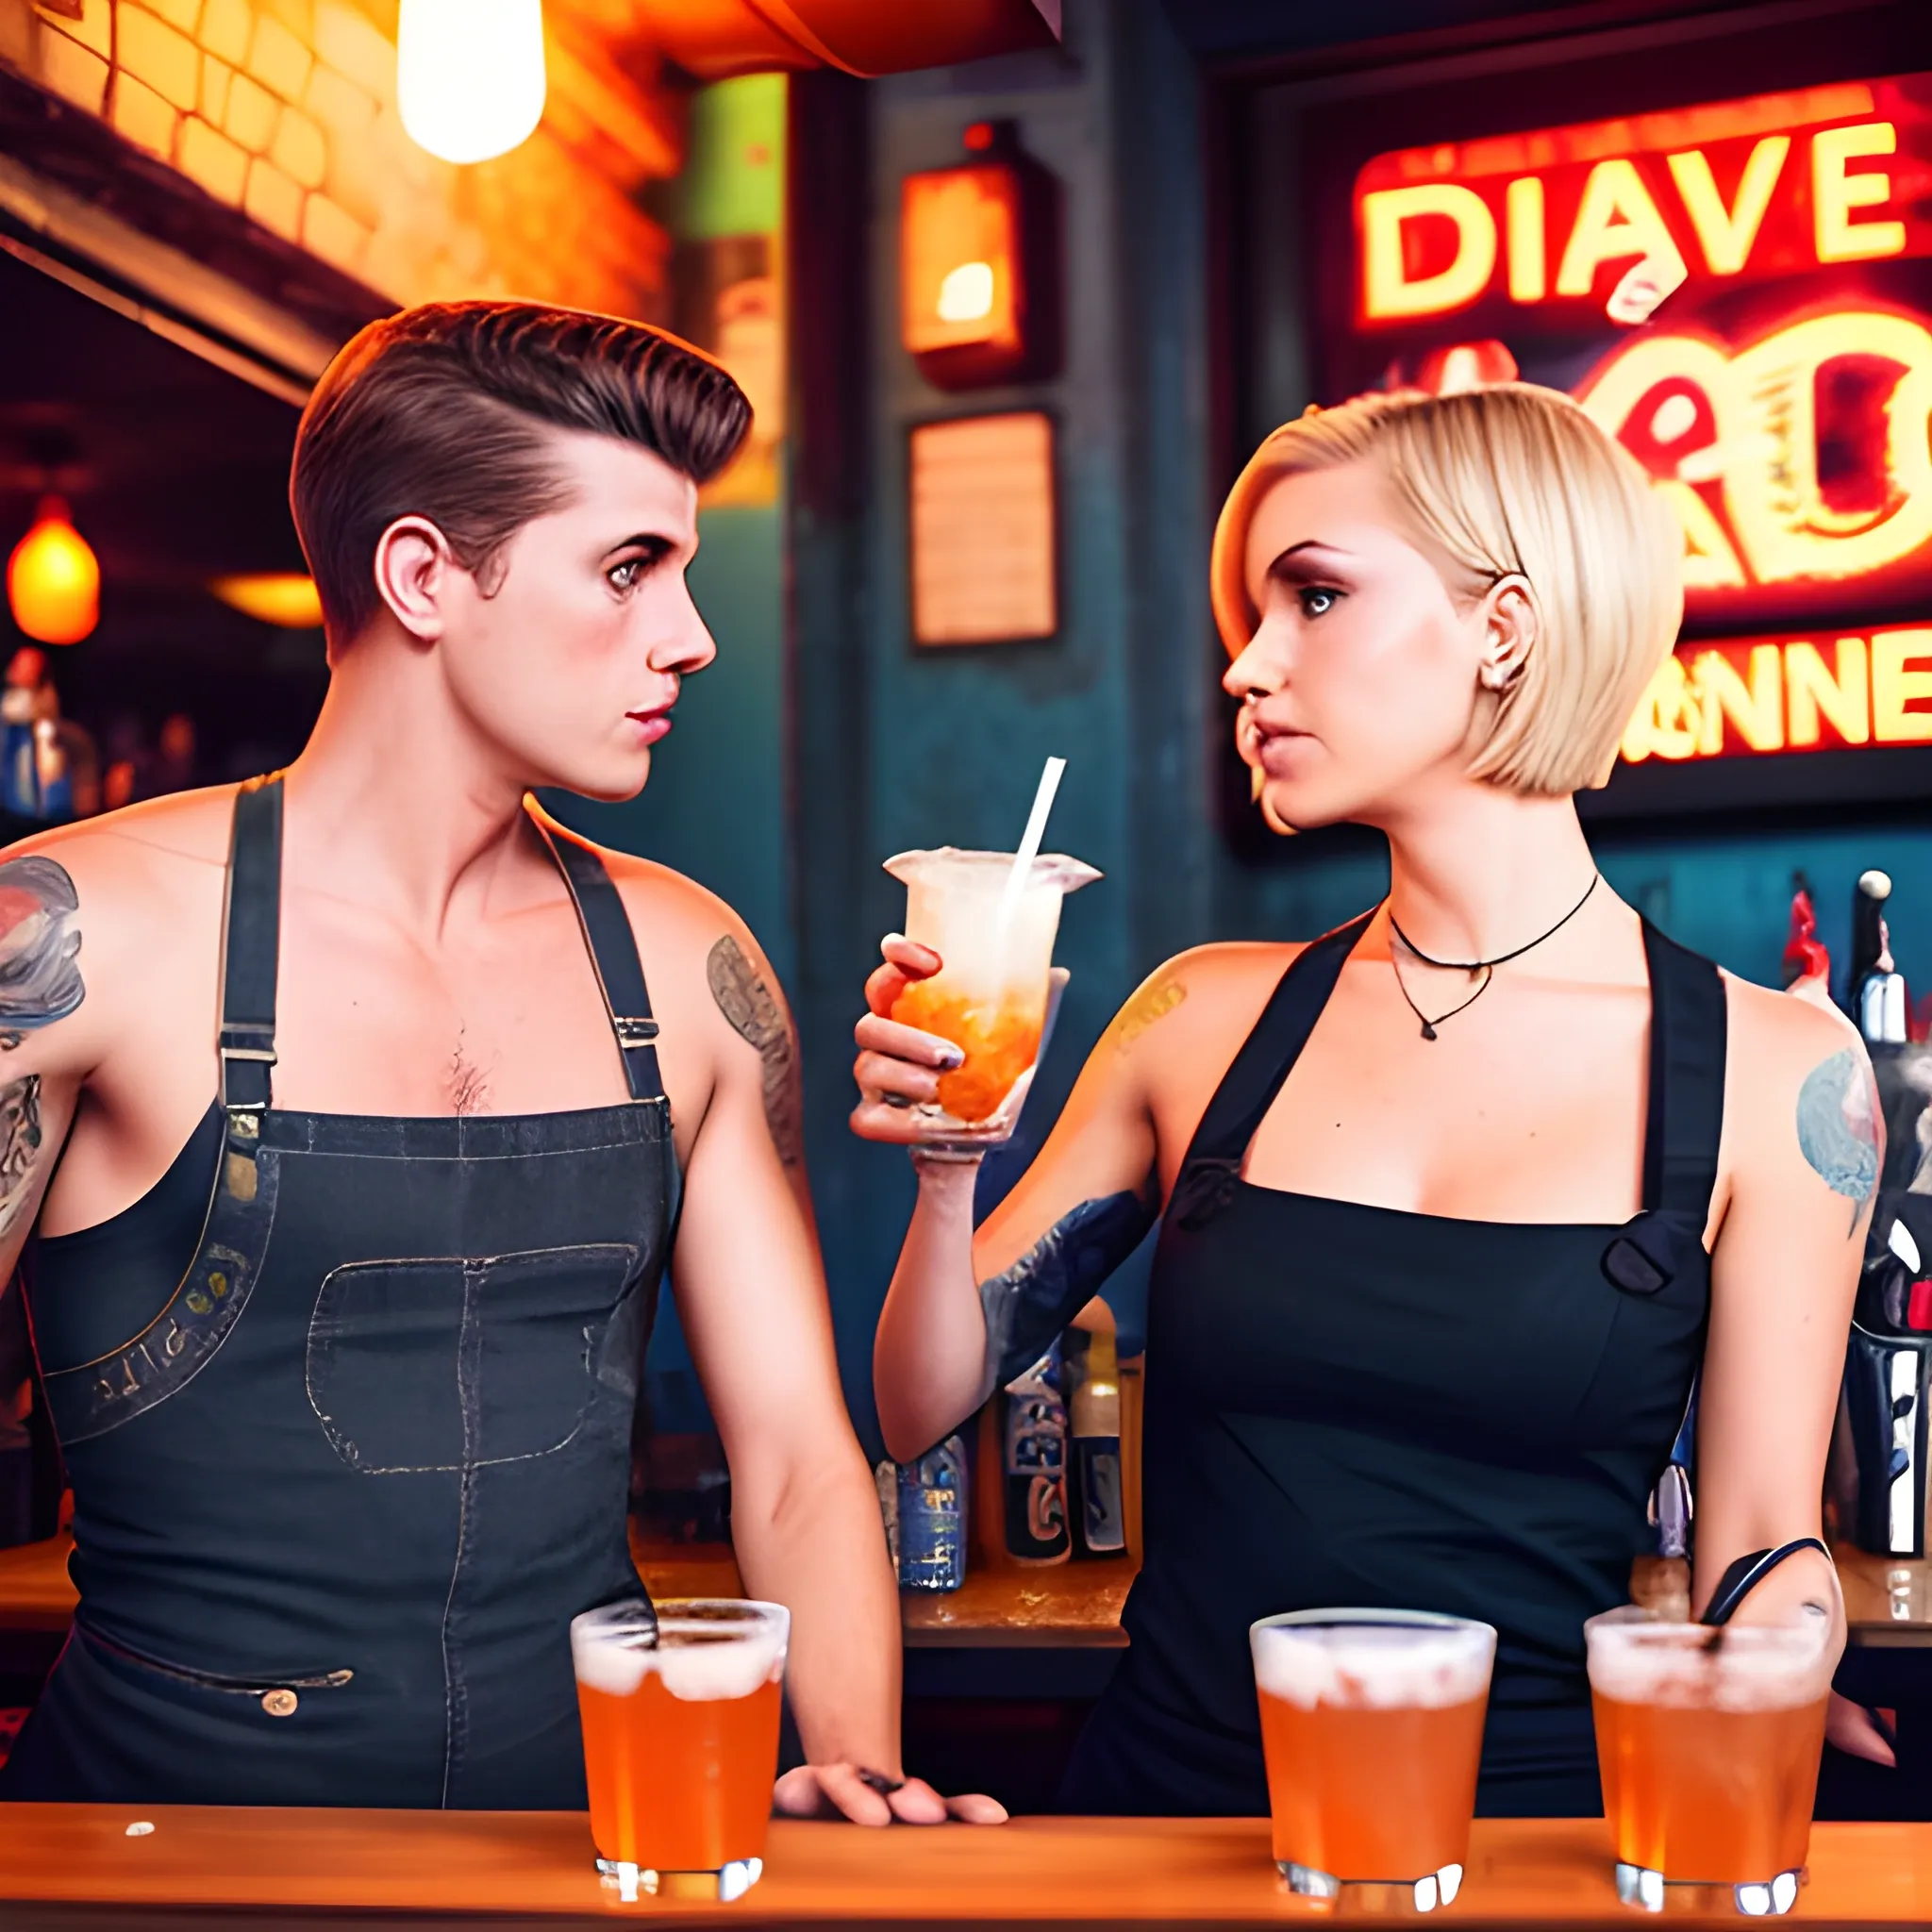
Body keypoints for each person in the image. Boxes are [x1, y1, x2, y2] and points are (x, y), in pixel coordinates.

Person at [0, 302, 998, 1824]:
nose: (692, 635)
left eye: (685, 567)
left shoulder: (687, 966)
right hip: (158, 1859)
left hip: (595, 1833)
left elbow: (796, 1459)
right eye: (627, 569)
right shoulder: (74, 936)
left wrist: (856, 1782)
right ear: (422, 577)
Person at [856, 383, 1881, 1817]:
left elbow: (1765, 1537)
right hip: (1167, 1820)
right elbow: (920, 1406)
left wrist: (1771, 1683)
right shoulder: (1202, 1018)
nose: (1249, 668)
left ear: (1504, 631)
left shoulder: (1778, 1072)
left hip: (1531, 1834)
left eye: (1315, 598)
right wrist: (948, 1161)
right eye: (1254, 615)